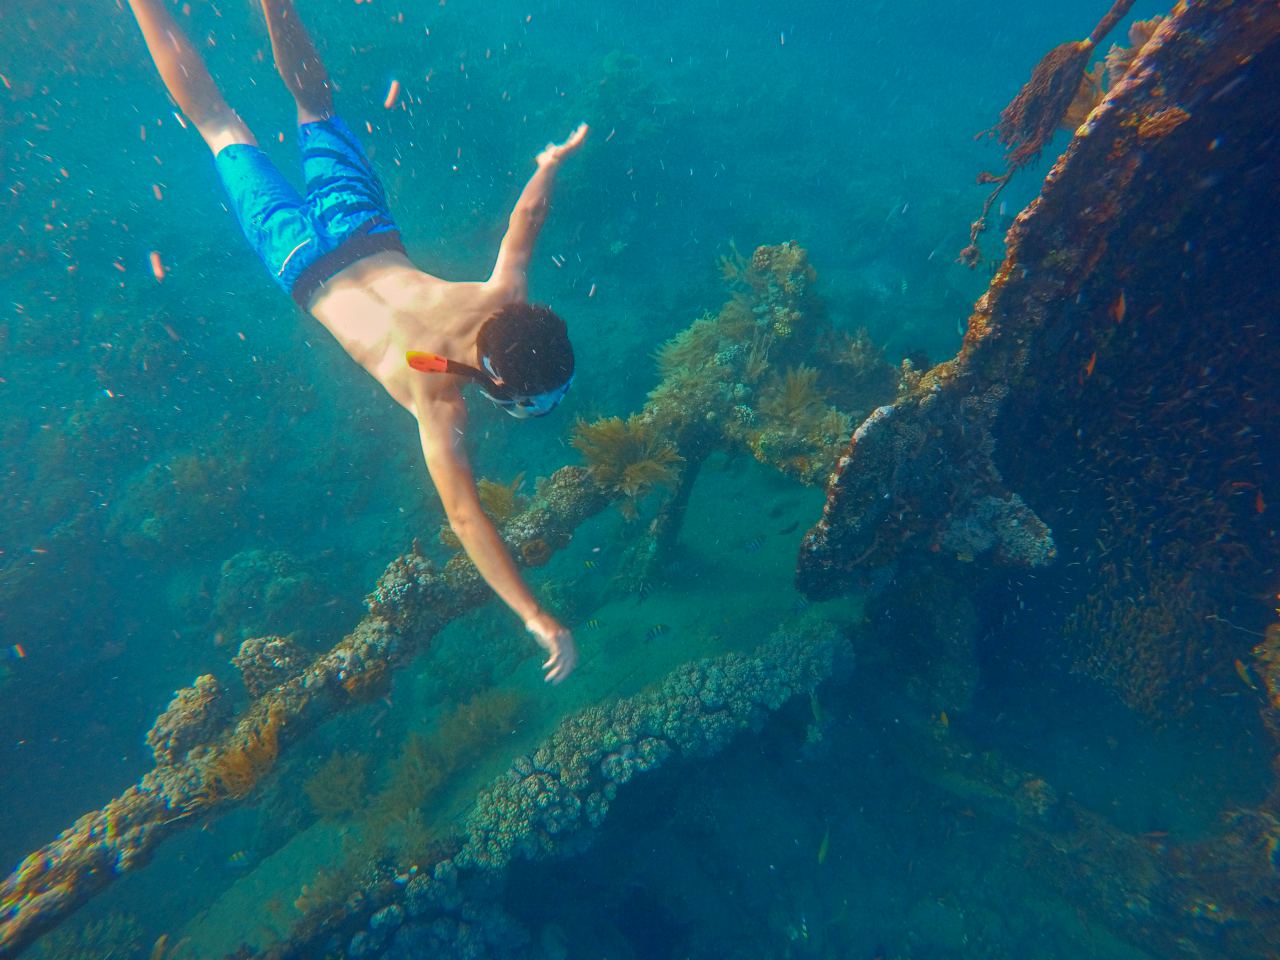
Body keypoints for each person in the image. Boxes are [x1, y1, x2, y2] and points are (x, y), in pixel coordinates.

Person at [127, 0, 586, 682]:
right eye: (528, 403)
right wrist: (533, 615)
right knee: (220, 126)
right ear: (496, 386)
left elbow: (526, 220)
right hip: (304, 267)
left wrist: (549, 163)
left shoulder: (501, 300)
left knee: (313, 104)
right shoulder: (440, 405)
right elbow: (465, 518)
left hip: (361, 227)